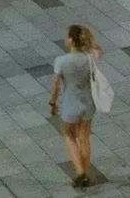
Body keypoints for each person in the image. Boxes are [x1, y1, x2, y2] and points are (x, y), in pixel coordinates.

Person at [51, 24, 102, 188]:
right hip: (89, 103)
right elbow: (99, 49)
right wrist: (90, 42)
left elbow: (57, 87)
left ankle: (80, 172)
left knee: (69, 135)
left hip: (70, 104)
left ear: (72, 40)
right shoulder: (91, 56)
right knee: (85, 137)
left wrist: (53, 103)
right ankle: (87, 173)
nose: (66, 40)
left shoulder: (61, 61)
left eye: (67, 37)